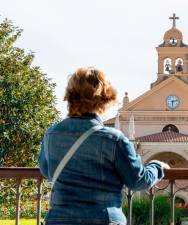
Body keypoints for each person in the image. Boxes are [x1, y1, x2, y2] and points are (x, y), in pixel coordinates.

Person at [38, 67, 170, 225]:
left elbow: (47, 171)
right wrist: (157, 166)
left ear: (70, 97)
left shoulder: (51, 134)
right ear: (105, 100)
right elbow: (137, 180)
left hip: (59, 219)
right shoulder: (113, 139)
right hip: (103, 219)